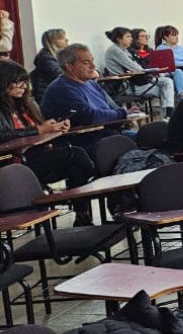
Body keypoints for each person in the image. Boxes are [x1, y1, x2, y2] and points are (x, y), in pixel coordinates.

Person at [0, 60, 95, 224]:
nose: (24, 86)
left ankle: (82, 217)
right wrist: (38, 130)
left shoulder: (26, 104)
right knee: (76, 154)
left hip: (37, 153)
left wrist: (55, 127)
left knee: (75, 168)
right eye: (18, 82)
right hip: (15, 163)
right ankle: (92, 184)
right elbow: (4, 135)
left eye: (25, 81)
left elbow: (39, 128)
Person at [40, 44, 135, 151]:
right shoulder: (62, 89)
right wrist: (122, 114)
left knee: (151, 134)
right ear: (69, 66)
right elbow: (91, 116)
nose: (93, 66)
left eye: (92, 61)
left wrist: (127, 114)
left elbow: (110, 108)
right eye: (86, 63)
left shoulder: (91, 83)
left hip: (109, 134)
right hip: (84, 142)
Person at [102, 27, 175, 117]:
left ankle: (167, 116)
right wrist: (150, 70)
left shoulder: (124, 50)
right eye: (128, 36)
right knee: (167, 88)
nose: (131, 39)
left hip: (135, 81)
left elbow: (136, 66)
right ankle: (167, 116)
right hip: (126, 86)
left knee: (167, 84)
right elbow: (135, 68)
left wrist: (143, 70)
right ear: (119, 39)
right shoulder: (116, 50)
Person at [153, 25, 183, 96]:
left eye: (177, 35)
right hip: (168, 72)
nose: (176, 37)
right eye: (173, 35)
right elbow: (171, 63)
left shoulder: (180, 48)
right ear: (166, 37)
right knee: (178, 71)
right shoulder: (162, 48)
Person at [30, 28, 68, 102]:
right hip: (48, 96)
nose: (66, 40)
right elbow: (60, 74)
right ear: (54, 41)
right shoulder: (45, 58)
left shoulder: (60, 55)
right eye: (62, 38)